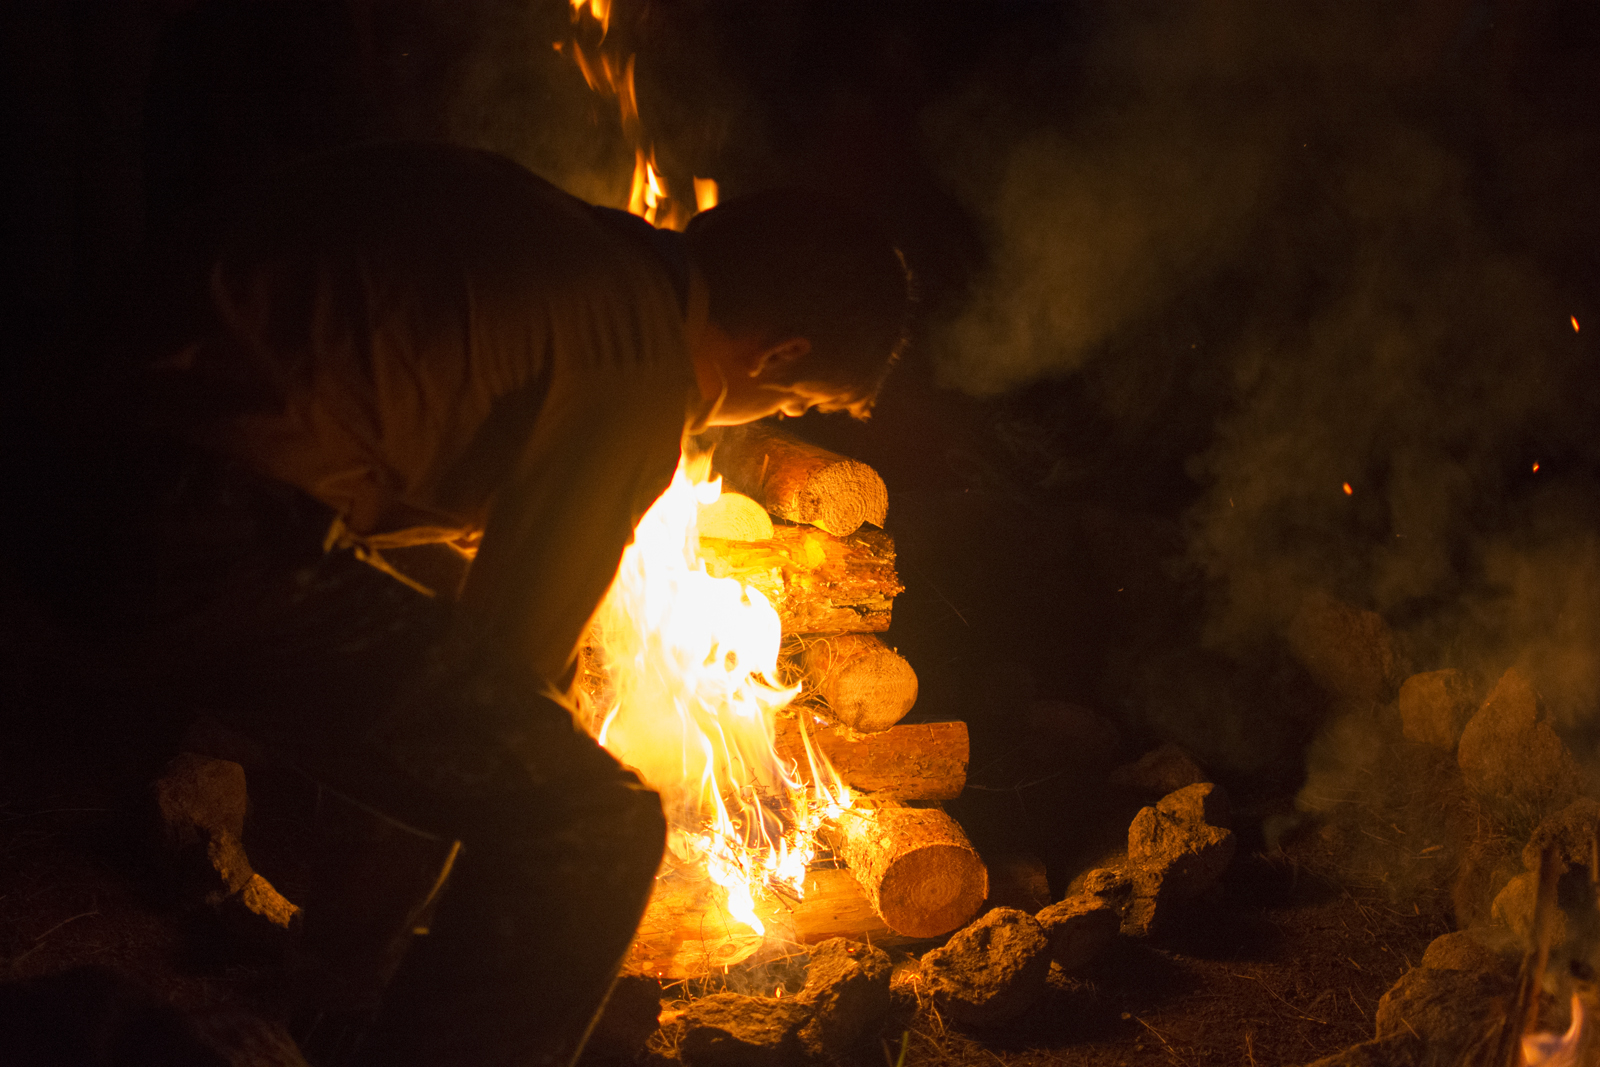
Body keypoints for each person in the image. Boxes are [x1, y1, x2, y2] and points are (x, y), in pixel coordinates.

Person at [50, 141, 911, 1066]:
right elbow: (499, 686)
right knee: (594, 824)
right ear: (779, 353)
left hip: (63, 434)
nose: (769, 419)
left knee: (438, 643)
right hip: (187, 516)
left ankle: (339, 997)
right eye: (792, 404)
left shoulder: (565, 245)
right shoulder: (638, 361)